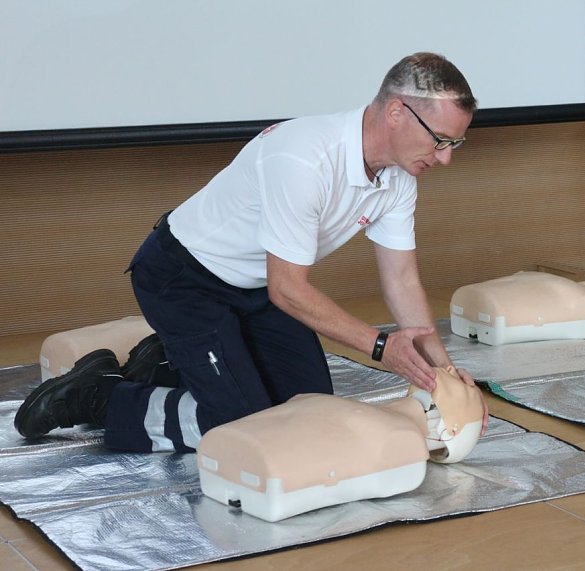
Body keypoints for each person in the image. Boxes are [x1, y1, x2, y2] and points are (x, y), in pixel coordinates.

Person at [15, 52, 487, 452]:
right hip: (184, 280)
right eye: (440, 140)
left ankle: (163, 362)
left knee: (307, 414)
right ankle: (97, 395)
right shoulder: (304, 157)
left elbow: (402, 280)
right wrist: (382, 346)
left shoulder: (399, 175)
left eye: (456, 144)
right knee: (246, 428)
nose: (444, 157)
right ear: (397, 112)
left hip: (256, 285)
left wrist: (443, 372)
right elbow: (288, 290)